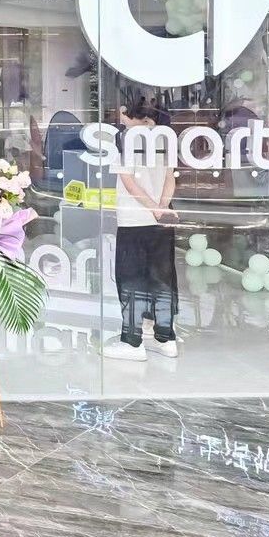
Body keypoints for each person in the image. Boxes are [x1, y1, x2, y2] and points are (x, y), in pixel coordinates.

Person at [104, 99, 179, 362]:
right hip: (161, 220)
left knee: (132, 279)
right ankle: (165, 338)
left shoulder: (128, 140)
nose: (121, 118)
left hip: (134, 220)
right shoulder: (164, 139)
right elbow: (170, 178)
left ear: (135, 117)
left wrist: (154, 209)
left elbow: (130, 184)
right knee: (161, 279)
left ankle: (132, 341)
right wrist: (162, 208)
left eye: (124, 114)